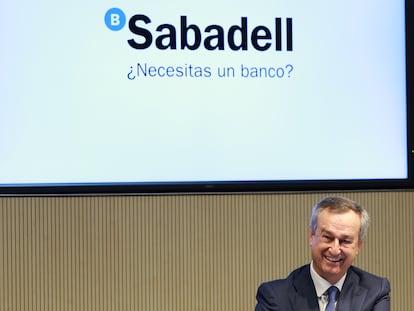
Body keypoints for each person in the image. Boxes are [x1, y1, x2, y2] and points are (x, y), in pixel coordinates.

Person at [254, 196, 390, 311]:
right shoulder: (275, 297)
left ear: (358, 245)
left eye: (345, 241)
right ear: (311, 236)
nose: (335, 249)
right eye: (328, 238)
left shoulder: (376, 291)